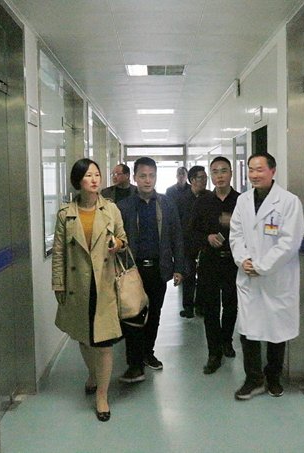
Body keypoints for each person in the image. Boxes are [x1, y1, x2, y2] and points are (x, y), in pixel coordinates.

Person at [51, 158, 128, 422]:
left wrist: (118, 244)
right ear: (78, 181)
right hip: (78, 286)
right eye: (88, 175)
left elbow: (123, 239)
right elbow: (59, 253)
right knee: (84, 338)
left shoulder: (111, 209)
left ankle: (102, 396)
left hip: (105, 284)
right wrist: (58, 284)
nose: (94, 179)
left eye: (97, 174)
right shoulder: (65, 214)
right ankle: (93, 375)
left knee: (104, 343)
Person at [229, 153, 304, 400]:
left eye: (260, 169)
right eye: (251, 169)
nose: (254, 175)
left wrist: (261, 266)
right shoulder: (243, 201)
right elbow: (236, 234)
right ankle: (253, 379)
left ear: (272, 171)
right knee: (248, 330)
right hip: (248, 275)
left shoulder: (289, 202)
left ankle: (273, 378)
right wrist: (243, 260)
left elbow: (289, 242)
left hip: (276, 277)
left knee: (276, 331)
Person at [116, 156, 184, 383]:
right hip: (133, 271)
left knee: (154, 314)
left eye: (151, 176)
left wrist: (178, 267)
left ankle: (148, 353)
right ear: (135, 178)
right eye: (143, 176)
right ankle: (134, 365)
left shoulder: (166, 204)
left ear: (156, 177)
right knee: (133, 316)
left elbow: (177, 236)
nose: (147, 180)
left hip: (158, 268)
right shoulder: (124, 207)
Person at [188, 156, 240, 374]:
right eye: (215, 172)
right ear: (211, 176)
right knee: (210, 308)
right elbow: (191, 232)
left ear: (231, 174)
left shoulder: (241, 201)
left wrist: (234, 223)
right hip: (209, 261)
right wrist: (206, 238)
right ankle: (213, 352)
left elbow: (252, 231)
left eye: (224, 171)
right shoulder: (202, 202)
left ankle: (226, 340)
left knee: (231, 305)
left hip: (233, 261)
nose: (220, 176)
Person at [177, 165, 210, 318]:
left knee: (204, 276)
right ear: (192, 180)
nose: (204, 181)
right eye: (200, 178)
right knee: (188, 275)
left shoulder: (209, 197)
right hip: (187, 244)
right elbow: (178, 223)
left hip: (205, 243)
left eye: (205, 178)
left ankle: (201, 306)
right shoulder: (182, 199)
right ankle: (188, 307)